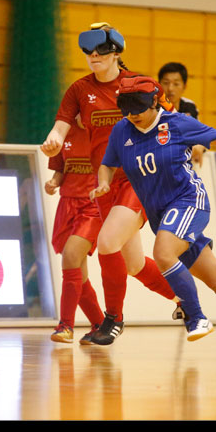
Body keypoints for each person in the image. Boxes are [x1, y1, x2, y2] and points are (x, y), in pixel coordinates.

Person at [91, 75, 216, 357]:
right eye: (127, 110)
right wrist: (104, 182)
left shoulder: (177, 123)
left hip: (188, 201)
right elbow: (107, 164)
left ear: (154, 103)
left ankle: (196, 317)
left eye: (138, 110)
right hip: (162, 214)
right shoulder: (122, 130)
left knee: (162, 252)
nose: (132, 116)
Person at [41, 22, 181, 346]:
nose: (93, 56)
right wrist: (52, 141)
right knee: (132, 263)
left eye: (101, 51)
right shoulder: (78, 90)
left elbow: (174, 118)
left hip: (137, 179)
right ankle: (184, 298)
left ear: (116, 52)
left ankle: (113, 319)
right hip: (103, 183)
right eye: (88, 52)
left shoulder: (137, 85)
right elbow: (60, 127)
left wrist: (194, 143)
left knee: (106, 243)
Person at [45, 115, 105, 344]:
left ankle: (66, 325)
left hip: (92, 206)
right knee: (79, 273)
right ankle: (100, 324)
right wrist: (53, 182)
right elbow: (61, 170)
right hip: (67, 205)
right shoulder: (63, 133)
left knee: (70, 258)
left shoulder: (102, 134)